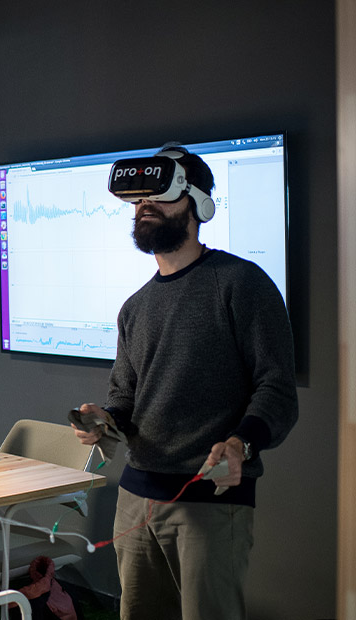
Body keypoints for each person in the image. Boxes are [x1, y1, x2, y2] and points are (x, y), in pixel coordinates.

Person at [72, 144, 298, 620]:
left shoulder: (242, 283)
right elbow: (125, 397)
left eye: (158, 196)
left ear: (198, 203)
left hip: (209, 501)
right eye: (137, 201)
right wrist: (104, 419)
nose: (144, 208)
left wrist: (242, 443)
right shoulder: (134, 306)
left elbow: (276, 389)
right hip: (135, 497)